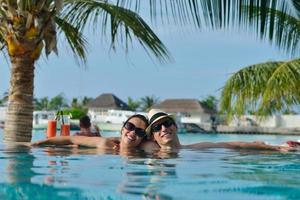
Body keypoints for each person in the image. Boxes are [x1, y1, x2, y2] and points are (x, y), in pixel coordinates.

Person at [144, 109, 294, 152]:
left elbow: (235, 145)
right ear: (152, 137)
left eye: (167, 123)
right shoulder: (149, 151)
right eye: (157, 127)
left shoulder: (195, 148)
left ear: (175, 126)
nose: (164, 128)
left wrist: (276, 147)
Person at [32, 114, 149, 152]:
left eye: (139, 131)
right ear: (123, 128)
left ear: (144, 137)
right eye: (130, 126)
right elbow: (70, 139)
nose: (133, 132)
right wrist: (38, 143)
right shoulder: (105, 144)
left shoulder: (146, 149)